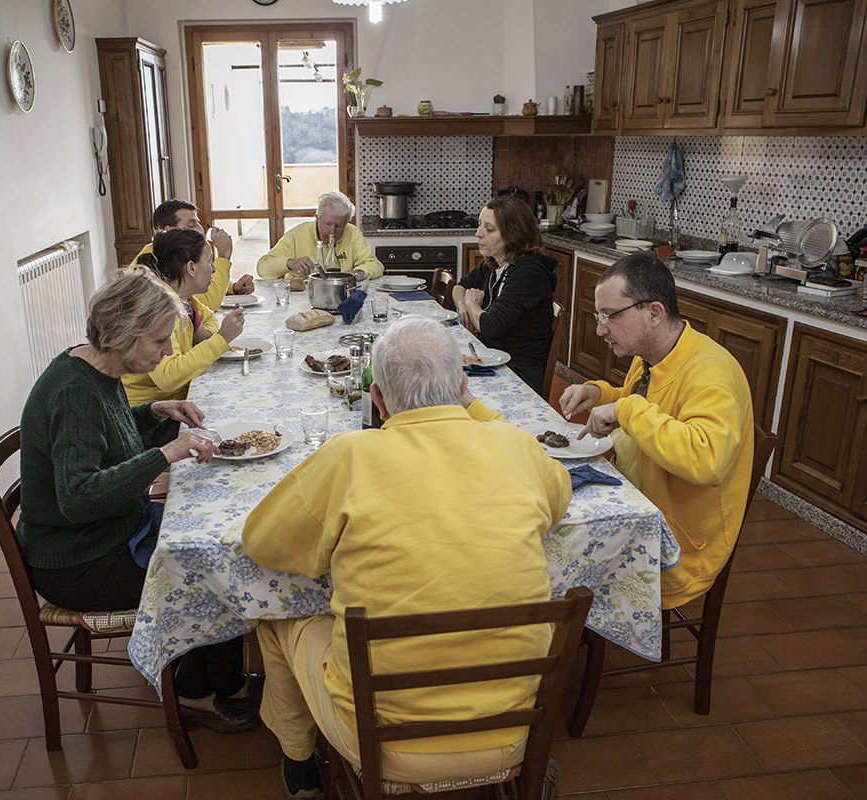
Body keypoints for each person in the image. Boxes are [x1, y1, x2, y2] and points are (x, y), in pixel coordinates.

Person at [242, 317, 570, 799]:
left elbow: (260, 543)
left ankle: (299, 765)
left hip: (384, 746)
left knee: (276, 617)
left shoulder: (350, 455)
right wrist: (476, 411)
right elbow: (559, 500)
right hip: (512, 736)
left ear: (377, 399)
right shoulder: (517, 446)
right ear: (463, 386)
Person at [16, 269, 257, 732]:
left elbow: (102, 431)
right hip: (76, 559)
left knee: (211, 549)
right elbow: (79, 497)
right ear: (124, 335)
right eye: (161, 340)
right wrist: (164, 452)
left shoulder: (90, 366)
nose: (170, 350)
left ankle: (221, 681)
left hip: (107, 533)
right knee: (210, 568)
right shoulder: (74, 391)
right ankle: (197, 694)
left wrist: (154, 411)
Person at [559, 253, 754, 609]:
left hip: (676, 549)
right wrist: (601, 393)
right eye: (598, 316)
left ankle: (560, 642)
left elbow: (707, 460)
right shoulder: (654, 353)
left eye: (610, 317)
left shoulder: (711, 375)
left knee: (549, 554)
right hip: (639, 501)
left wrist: (624, 408)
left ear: (653, 313)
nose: (601, 329)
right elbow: (648, 408)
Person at [123, 228, 245, 413]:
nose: (213, 269)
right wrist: (220, 339)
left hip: (175, 402)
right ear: (191, 268)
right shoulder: (158, 308)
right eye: (209, 262)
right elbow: (168, 376)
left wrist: (201, 331)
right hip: (147, 415)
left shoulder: (182, 298)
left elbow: (210, 319)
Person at [451, 195, 557, 393]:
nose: (478, 233)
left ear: (513, 235)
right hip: (494, 359)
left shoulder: (528, 273)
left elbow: (490, 326)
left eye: (489, 229)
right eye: (479, 225)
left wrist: (473, 305)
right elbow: (459, 287)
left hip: (518, 373)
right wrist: (463, 305)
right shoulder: (494, 263)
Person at [132, 199, 255, 310]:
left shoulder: (174, 252)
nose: (200, 230)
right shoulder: (159, 257)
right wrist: (224, 256)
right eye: (191, 225)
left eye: (198, 223)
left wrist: (232, 288)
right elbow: (209, 303)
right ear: (167, 231)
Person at [256, 191, 384, 280]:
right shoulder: (297, 234)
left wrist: (358, 273)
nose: (331, 232)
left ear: (346, 223)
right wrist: (289, 263)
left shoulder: (353, 233)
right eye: (327, 224)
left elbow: (376, 266)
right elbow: (263, 268)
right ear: (317, 218)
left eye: (338, 226)